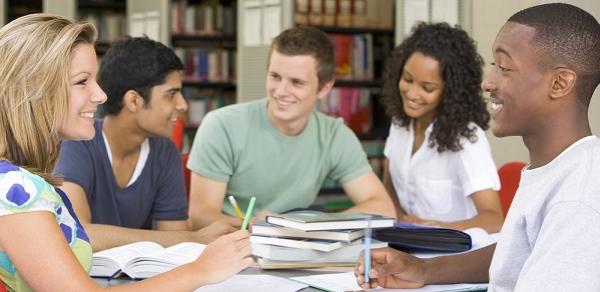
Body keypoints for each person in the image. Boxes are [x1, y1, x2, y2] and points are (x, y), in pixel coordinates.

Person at [355, 3, 600, 291]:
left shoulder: (577, 200)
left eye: (505, 68)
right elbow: (514, 255)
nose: (488, 82)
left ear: (560, 83)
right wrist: (422, 269)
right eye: (493, 65)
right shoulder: (551, 169)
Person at [0, 14, 251, 291]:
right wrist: (201, 270)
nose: (101, 95)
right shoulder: (16, 188)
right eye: (82, 81)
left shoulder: (27, 182)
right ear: (34, 89)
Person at [187, 25, 396, 229]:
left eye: (297, 82)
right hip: (230, 244)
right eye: (275, 76)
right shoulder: (222, 125)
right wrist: (258, 227)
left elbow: (383, 208)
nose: (281, 91)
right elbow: (200, 216)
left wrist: (302, 226)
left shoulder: (334, 135)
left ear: (325, 88)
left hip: (294, 245)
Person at [54, 37, 239, 252]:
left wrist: (188, 239)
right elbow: (80, 234)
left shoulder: (165, 151)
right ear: (133, 101)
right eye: (171, 94)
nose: (182, 105)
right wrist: (194, 238)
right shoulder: (77, 142)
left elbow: (175, 243)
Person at [381, 22, 503, 233]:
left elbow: (494, 219)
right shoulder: (400, 123)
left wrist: (440, 229)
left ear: (450, 92)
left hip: (453, 256)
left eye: (427, 88)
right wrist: (399, 218)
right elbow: (388, 187)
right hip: (405, 247)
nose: (412, 94)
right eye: (407, 79)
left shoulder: (466, 139)